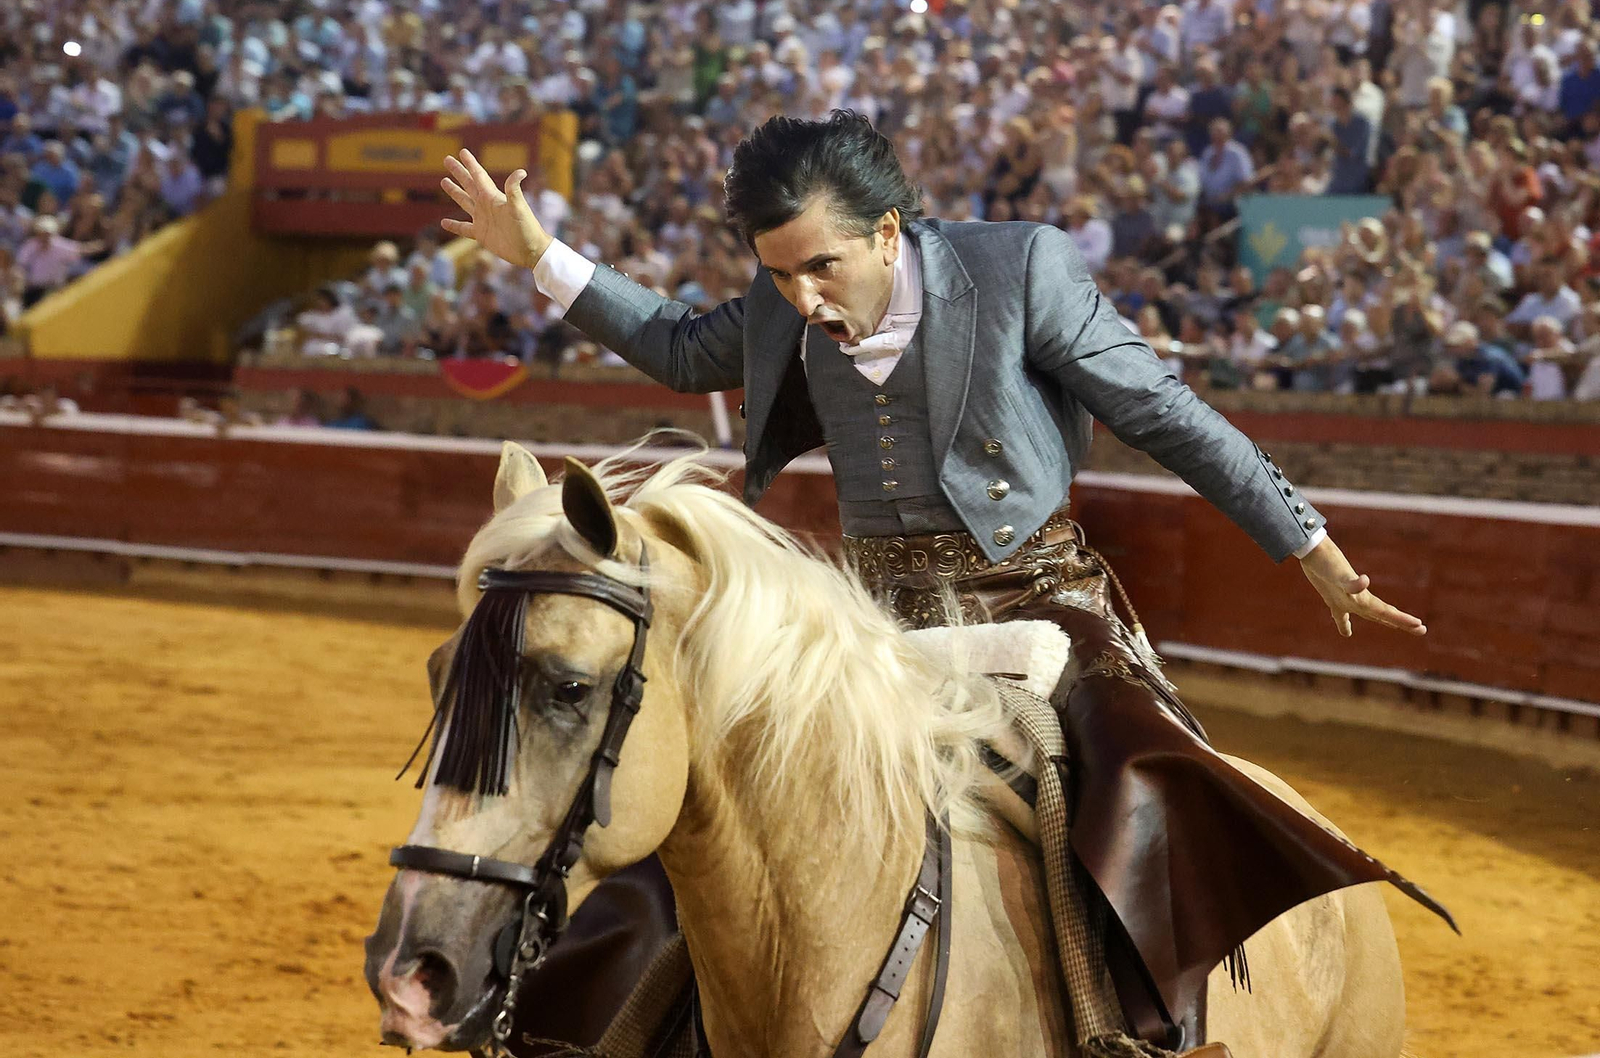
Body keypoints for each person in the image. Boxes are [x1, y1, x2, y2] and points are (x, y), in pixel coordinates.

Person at [439, 112, 1435, 1056]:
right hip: (870, 623)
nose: (801, 300)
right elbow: (676, 343)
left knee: (1129, 777)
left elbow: (1160, 410)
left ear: (885, 232)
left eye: (821, 266)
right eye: (778, 274)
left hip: (1034, 600)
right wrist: (539, 254)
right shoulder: (791, 301)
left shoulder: (1019, 267)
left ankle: (1143, 1027)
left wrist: (1306, 542)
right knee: (708, 798)